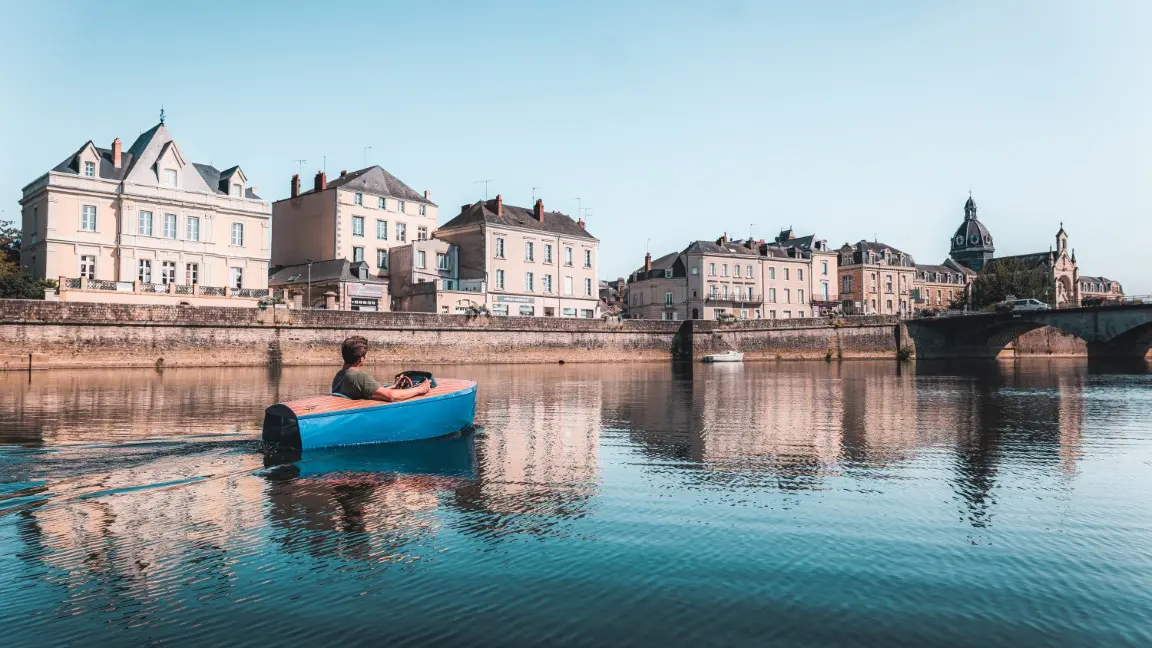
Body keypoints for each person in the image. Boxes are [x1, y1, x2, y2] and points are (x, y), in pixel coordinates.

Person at [331, 335, 431, 401]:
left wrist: (393, 386)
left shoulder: (339, 375)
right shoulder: (358, 376)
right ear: (361, 359)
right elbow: (391, 396)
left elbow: (366, 391)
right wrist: (420, 389)